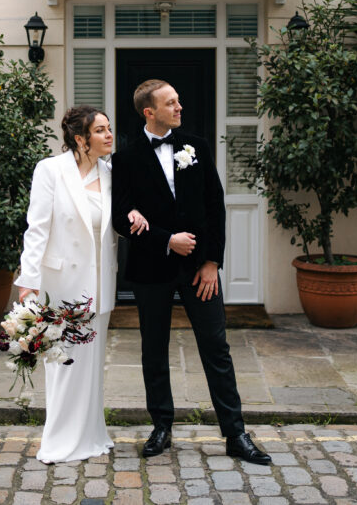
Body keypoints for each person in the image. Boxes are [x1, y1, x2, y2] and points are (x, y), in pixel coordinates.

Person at [111, 79, 270, 465]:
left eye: (179, 100)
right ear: (149, 111)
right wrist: (168, 240)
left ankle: (235, 434)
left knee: (216, 348)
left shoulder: (195, 146)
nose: (180, 107)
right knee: (154, 349)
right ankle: (161, 427)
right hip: (151, 270)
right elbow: (120, 217)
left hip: (200, 269)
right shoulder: (126, 159)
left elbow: (216, 207)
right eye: (171, 103)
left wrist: (212, 262)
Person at [15, 105, 148, 463]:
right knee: (62, 365)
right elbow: (37, 228)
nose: (109, 136)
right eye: (101, 130)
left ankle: (90, 435)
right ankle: (59, 440)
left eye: (109, 128)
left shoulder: (111, 172)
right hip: (60, 284)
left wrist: (133, 213)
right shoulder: (50, 170)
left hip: (99, 283)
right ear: (80, 138)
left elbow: (120, 213)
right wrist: (27, 281)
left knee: (90, 367)